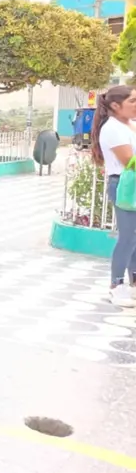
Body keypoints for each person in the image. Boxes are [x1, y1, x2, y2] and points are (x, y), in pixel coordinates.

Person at [92, 85, 136, 307]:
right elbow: (131, 162)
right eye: (133, 101)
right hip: (124, 184)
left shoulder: (130, 125)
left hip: (132, 183)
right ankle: (116, 286)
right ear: (115, 106)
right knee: (128, 237)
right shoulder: (113, 129)